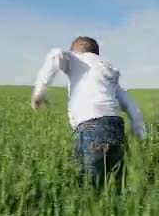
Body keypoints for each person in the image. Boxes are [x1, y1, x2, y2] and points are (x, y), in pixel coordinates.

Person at [31, 36, 146, 189]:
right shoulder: (107, 73)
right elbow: (132, 106)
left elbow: (56, 55)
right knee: (117, 183)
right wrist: (140, 135)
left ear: (75, 51)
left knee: (88, 184)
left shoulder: (76, 59)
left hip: (91, 127)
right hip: (116, 127)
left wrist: (40, 91)